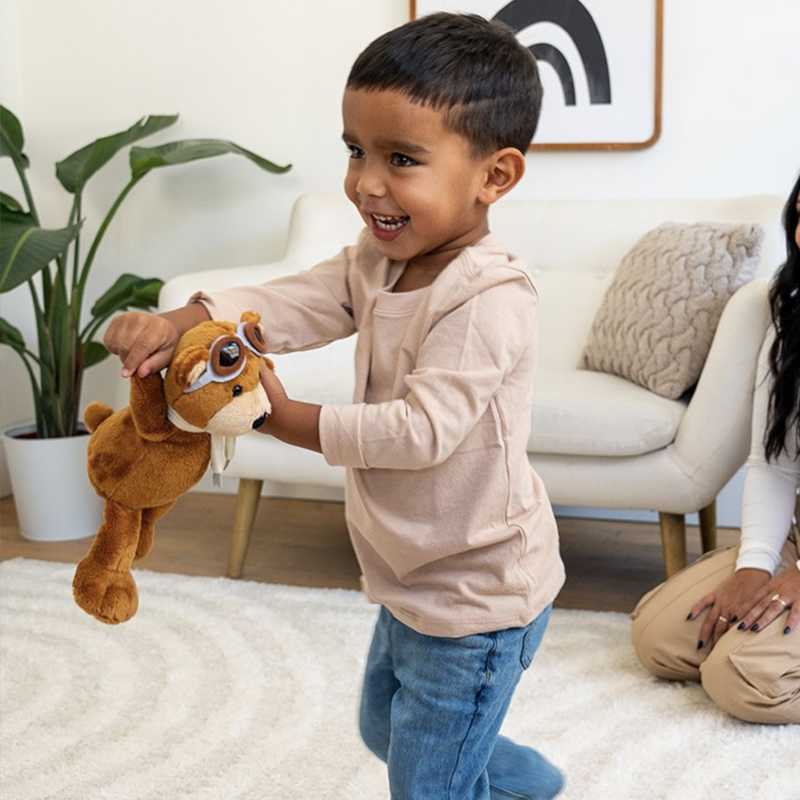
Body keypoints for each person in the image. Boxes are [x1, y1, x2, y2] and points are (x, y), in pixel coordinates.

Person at [105, 13, 566, 799]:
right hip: (406, 572)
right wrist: (180, 321)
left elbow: (423, 432)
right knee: (382, 731)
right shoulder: (376, 262)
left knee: (429, 782)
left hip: (478, 591)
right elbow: (287, 304)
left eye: (402, 159)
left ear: (496, 176)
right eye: (356, 150)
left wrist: (287, 422)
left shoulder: (488, 295)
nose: (367, 183)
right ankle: (533, 785)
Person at [631, 171, 800, 725]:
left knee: (744, 680)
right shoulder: (791, 317)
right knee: (658, 637)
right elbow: (773, 464)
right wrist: (757, 565)